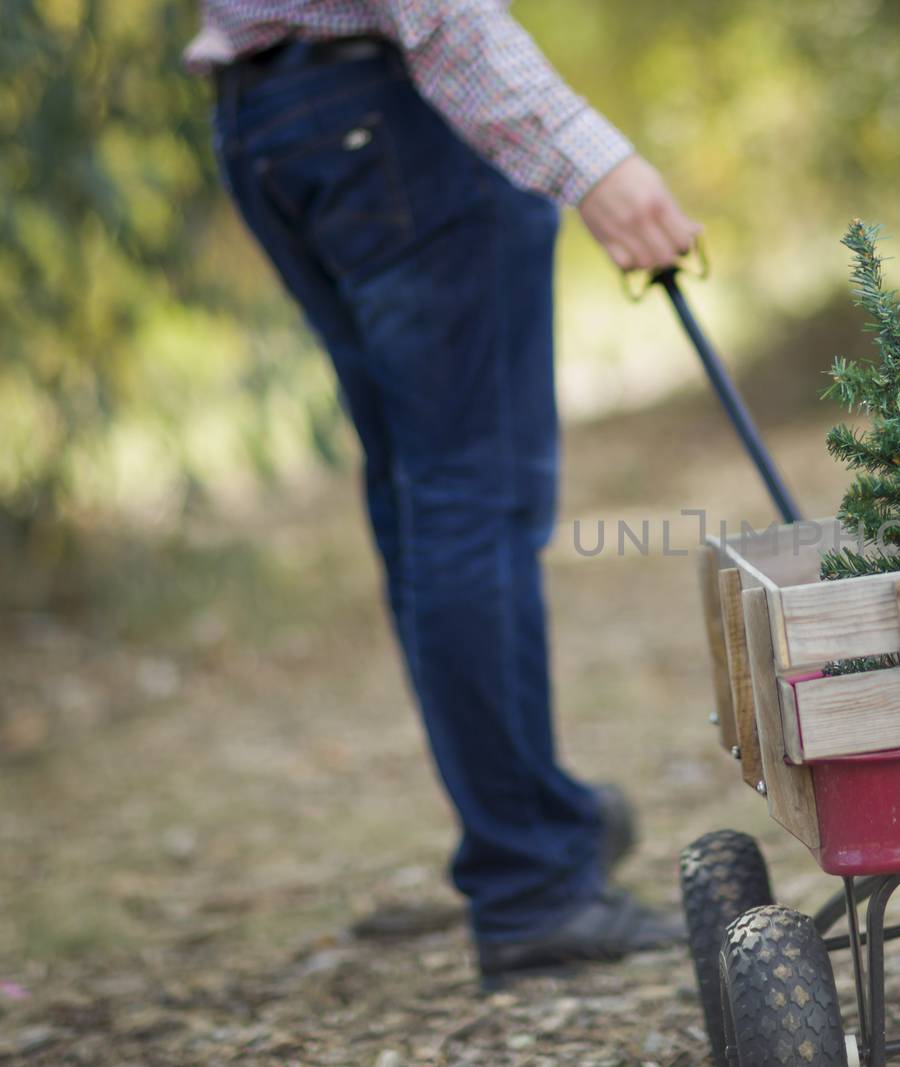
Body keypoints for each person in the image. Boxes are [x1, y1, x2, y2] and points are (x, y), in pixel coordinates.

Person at [187, 1, 699, 987]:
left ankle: (536, 826)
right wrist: (591, 160)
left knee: (424, 502)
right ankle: (534, 881)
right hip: (392, 110)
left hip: (264, 114)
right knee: (470, 499)